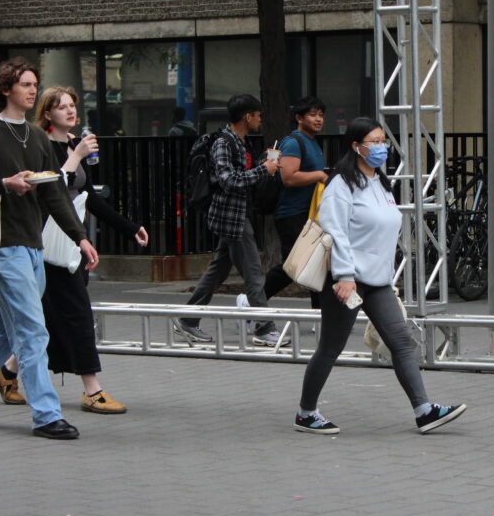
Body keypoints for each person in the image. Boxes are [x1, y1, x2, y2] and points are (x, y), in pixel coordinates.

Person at [0, 58, 99, 440]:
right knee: (32, 328)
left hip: (34, 244)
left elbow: (54, 194)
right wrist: (3, 184)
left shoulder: (37, 137)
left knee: (6, 330)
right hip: (3, 244)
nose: (32, 90)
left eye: (34, 84)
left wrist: (79, 237)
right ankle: (46, 415)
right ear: (6, 90)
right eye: (25, 84)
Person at [294, 117, 466, 435]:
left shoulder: (379, 182)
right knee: (331, 347)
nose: (381, 147)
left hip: (378, 281)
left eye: (383, 141)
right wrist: (344, 276)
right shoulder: (340, 185)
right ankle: (306, 412)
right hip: (348, 281)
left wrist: (386, 275)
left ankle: (423, 410)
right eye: (374, 142)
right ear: (355, 146)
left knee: (400, 341)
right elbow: (336, 232)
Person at [0, 86, 150, 413]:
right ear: (47, 114)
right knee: (76, 314)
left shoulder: (71, 144)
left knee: (47, 318)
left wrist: (130, 227)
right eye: (61, 107)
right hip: (45, 242)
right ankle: (92, 390)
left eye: (72, 106)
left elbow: (89, 196)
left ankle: (7, 371)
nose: (70, 111)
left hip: (69, 243)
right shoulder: (40, 144)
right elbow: (47, 191)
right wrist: (75, 157)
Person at [173, 94, 287, 347]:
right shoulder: (224, 143)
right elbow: (228, 180)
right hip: (231, 217)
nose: (260, 120)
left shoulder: (241, 141)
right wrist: (262, 170)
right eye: (257, 115)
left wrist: (265, 163)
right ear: (247, 116)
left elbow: (241, 174)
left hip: (238, 215)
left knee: (218, 271)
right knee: (254, 273)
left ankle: (188, 320)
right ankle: (263, 327)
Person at [261, 96, 329, 308]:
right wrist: (319, 174)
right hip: (292, 214)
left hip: (309, 214)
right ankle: (253, 299)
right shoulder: (294, 142)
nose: (318, 119)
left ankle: (320, 314)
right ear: (299, 118)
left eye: (321, 115)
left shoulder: (313, 142)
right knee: (293, 265)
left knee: (316, 264)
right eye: (312, 114)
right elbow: (288, 177)